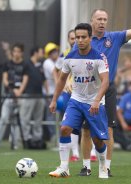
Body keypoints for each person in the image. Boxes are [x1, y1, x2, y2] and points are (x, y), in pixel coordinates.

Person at [78, 7, 131, 177]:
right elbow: (73, 62)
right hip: (88, 90)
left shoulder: (114, 38)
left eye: (105, 19)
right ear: (92, 21)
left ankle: (106, 168)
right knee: (86, 130)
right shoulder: (84, 40)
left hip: (108, 90)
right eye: (99, 19)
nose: (102, 22)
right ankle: (86, 167)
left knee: (108, 129)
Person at [48, 23, 110, 179]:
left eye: (83, 37)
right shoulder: (69, 57)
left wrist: (96, 100)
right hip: (76, 100)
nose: (80, 40)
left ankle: (103, 166)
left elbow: (105, 81)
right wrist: (54, 100)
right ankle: (64, 168)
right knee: (64, 129)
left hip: (94, 102)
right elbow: (62, 79)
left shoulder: (99, 57)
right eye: (77, 37)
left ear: (90, 38)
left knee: (98, 140)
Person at [0, 43, 28, 149]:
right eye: (14, 51)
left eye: (18, 51)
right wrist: (12, 90)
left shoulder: (25, 65)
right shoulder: (7, 64)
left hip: (21, 96)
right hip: (9, 95)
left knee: (18, 121)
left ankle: (15, 143)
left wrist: (19, 91)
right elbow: (5, 80)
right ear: (12, 52)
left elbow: (25, 80)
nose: (16, 53)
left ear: (22, 53)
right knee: (3, 118)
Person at [55, 29, 80, 162]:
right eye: (71, 38)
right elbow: (57, 70)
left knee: (86, 124)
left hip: (82, 92)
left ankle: (91, 152)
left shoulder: (84, 54)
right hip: (68, 93)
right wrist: (60, 84)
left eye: (75, 38)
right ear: (68, 40)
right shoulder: (64, 54)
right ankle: (75, 153)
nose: (74, 41)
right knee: (69, 122)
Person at [20, 47, 46, 146]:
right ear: (35, 53)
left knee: (38, 119)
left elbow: (44, 80)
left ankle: (37, 138)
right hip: (28, 94)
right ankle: (26, 138)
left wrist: (46, 93)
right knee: (25, 118)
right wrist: (21, 91)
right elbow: (24, 79)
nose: (42, 54)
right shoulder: (27, 64)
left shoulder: (40, 65)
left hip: (39, 95)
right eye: (41, 52)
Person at [42, 42, 59, 139]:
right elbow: (55, 76)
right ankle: (53, 136)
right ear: (48, 54)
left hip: (57, 93)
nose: (55, 53)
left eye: (55, 51)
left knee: (59, 116)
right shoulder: (47, 62)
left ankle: (59, 137)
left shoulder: (58, 61)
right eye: (52, 52)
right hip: (50, 93)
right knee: (51, 115)